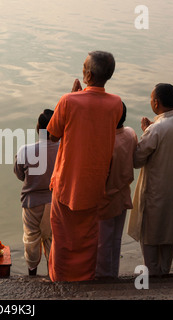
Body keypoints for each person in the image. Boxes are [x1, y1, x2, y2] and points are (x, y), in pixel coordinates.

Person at [46, 51, 123, 282]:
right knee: (88, 238)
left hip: (66, 183)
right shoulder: (116, 103)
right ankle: (84, 280)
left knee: (62, 237)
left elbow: (52, 135)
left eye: (83, 66)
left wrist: (73, 95)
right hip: (94, 184)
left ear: (87, 73)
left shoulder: (68, 101)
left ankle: (60, 281)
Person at [128, 83, 173, 277]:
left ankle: (152, 276)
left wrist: (145, 132)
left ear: (156, 103)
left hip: (157, 193)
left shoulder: (155, 130)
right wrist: (152, 128)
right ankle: (164, 273)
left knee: (150, 236)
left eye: (151, 99)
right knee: (170, 232)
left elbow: (136, 160)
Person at [13, 109, 59, 276]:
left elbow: (19, 174)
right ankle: (53, 273)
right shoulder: (63, 150)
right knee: (53, 240)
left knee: (31, 238)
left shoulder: (26, 150)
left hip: (32, 202)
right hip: (56, 202)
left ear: (38, 128)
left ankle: (32, 272)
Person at [96, 103, 138, 278]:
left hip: (106, 197)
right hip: (122, 194)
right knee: (115, 239)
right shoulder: (130, 133)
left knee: (102, 242)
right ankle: (112, 273)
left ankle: (103, 276)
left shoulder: (105, 141)